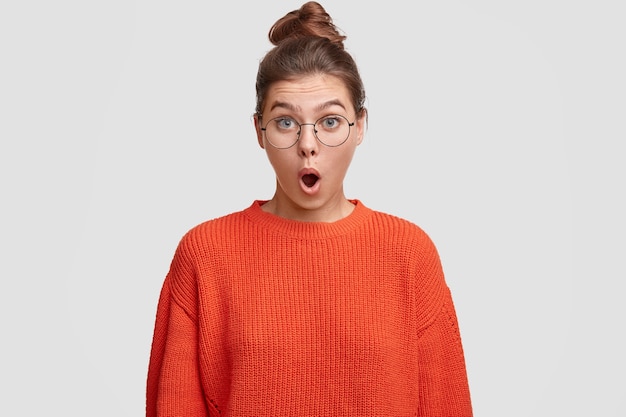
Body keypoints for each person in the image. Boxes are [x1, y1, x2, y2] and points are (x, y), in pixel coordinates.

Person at [146, 2, 473, 416]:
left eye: (330, 121)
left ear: (360, 126)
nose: (308, 143)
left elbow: (448, 406)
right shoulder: (205, 255)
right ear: (259, 131)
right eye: (285, 122)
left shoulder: (409, 254)